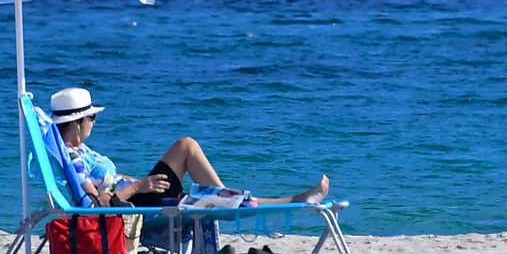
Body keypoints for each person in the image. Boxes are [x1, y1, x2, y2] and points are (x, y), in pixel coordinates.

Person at [48, 87, 328, 209]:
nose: (95, 122)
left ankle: (291, 201)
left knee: (208, 189)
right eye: (92, 117)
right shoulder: (74, 158)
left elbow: (107, 187)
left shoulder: (81, 151)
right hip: (134, 202)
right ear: (76, 122)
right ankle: (248, 201)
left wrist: (139, 182)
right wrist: (139, 186)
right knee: (186, 146)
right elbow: (97, 205)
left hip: (141, 192)